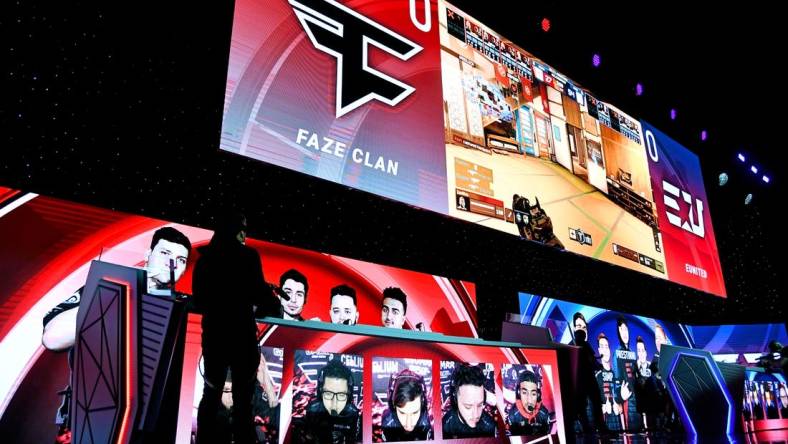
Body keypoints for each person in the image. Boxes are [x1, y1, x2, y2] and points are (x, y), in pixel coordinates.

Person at [42, 226, 192, 442]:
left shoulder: (183, 309)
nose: (171, 265)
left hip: (151, 430)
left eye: (181, 260)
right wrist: (124, 292)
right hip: (93, 422)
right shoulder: (109, 288)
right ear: (148, 255)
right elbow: (52, 338)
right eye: (165, 254)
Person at [193, 213, 278, 444]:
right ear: (238, 231)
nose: (245, 234)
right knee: (243, 404)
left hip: (214, 339)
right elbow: (261, 295)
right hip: (242, 340)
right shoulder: (248, 256)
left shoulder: (205, 260)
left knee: (210, 397)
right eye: (244, 229)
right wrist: (273, 305)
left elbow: (199, 301)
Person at [295, 359, 361, 443]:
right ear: (320, 391)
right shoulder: (313, 410)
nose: (334, 404)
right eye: (328, 393)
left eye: (341, 395)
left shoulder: (353, 414)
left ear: (349, 394)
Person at [442, 364, 496, 438]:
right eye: (468, 407)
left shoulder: (489, 426)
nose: (476, 415)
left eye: (480, 405)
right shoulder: (445, 426)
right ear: (455, 400)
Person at [380, 369, 432, 441]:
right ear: (393, 406)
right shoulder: (387, 423)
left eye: (415, 412)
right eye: (402, 413)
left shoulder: (426, 422)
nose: (409, 424)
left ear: (422, 405)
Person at [506, 369, 551, 436]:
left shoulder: (544, 414)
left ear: (538, 395)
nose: (529, 399)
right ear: (518, 394)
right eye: (524, 393)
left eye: (533, 394)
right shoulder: (513, 416)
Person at [614, 316, 640, 430]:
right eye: (621, 329)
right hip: (628, 403)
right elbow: (616, 381)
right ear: (618, 332)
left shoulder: (632, 354)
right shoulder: (617, 353)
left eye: (625, 329)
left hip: (639, 402)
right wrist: (620, 397)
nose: (624, 332)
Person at [595, 333, 624, 432]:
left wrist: (620, 407)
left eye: (606, 347)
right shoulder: (596, 375)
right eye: (602, 347)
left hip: (619, 426)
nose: (605, 350)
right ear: (599, 350)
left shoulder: (617, 374)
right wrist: (603, 409)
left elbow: (623, 402)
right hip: (604, 426)